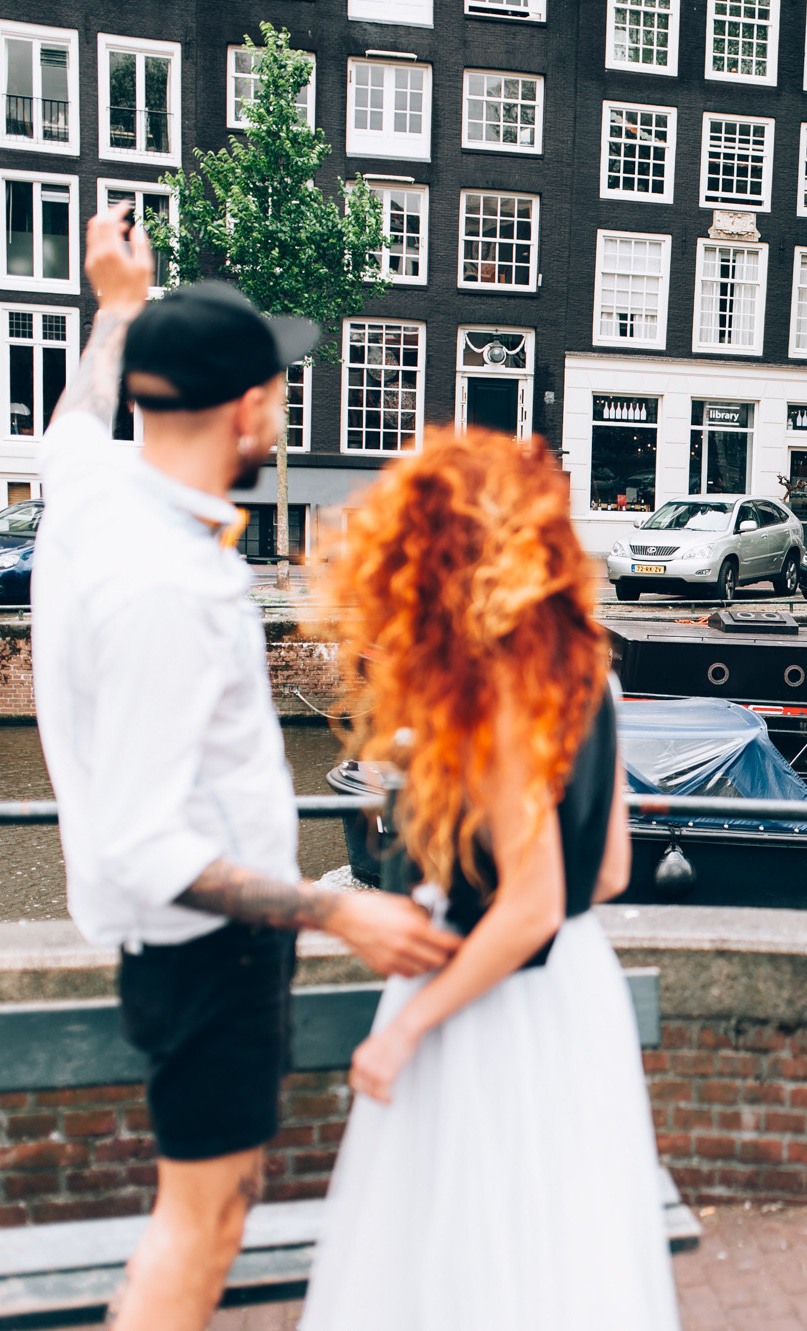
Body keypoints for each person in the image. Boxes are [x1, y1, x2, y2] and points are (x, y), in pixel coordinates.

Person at [30, 206, 458, 1331]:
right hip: (209, 951)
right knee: (202, 1220)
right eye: (277, 382)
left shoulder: (92, 492)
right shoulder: (168, 583)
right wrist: (336, 910)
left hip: (186, 947)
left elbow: (73, 422)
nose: (284, 397)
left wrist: (118, 305)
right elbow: (143, 839)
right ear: (250, 407)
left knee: (222, 1193)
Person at [299, 432, 679, 1327]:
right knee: (554, 1252)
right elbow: (609, 868)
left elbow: (532, 903)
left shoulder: (495, 684)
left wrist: (403, 1031)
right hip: (572, 1002)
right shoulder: (585, 663)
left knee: (452, 1257)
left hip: (488, 1008)